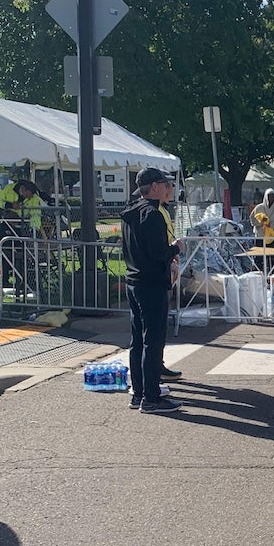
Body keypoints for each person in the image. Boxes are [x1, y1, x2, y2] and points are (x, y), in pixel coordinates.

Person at [120, 167, 184, 414]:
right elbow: (159, 253)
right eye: (164, 183)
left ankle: (138, 392)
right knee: (152, 341)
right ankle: (151, 397)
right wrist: (176, 248)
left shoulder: (131, 212)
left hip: (133, 280)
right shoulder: (153, 214)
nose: (167, 187)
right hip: (151, 282)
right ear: (155, 187)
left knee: (138, 341)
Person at [0, 178, 43, 289]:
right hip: (7, 225)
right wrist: (10, 206)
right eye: (28, 194)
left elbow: (36, 214)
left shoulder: (34, 197)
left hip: (22, 227)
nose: (29, 197)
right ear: (23, 189)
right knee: (3, 250)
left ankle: (26, 281)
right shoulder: (8, 189)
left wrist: (34, 229)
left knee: (22, 254)